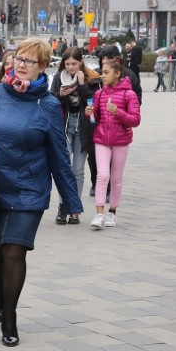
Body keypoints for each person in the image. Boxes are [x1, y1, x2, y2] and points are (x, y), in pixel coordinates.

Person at [0, 37, 82, 347]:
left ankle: (10, 318)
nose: (20, 65)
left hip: (29, 188)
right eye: (18, 58)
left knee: (13, 250)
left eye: (29, 61)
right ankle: (0, 294)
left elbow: (59, 154)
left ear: (43, 67)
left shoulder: (49, 105)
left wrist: (71, 200)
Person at [85, 56, 141, 229]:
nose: (102, 75)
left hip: (121, 140)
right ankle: (99, 214)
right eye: (102, 72)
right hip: (102, 139)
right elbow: (97, 119)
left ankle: (112, 212)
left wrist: (118, 113)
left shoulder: (129, 94)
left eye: (106, 72)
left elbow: (135, 120)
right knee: (102, 175)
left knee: (116, 178)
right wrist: (91, 113)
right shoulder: (99, 93)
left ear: (117, 73)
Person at [50, 47, 102, 225]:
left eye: (74, 63)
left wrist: (82, 85)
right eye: (67, 64)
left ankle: (75, 209)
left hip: (83, 127)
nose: (71, 67)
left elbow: (93, 102)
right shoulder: (59, 77)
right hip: (64, 127)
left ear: (81, 62)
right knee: (64, 169)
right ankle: (63, 206)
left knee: (78, 170)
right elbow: (51, 101)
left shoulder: (91, 77)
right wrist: (60, 95)